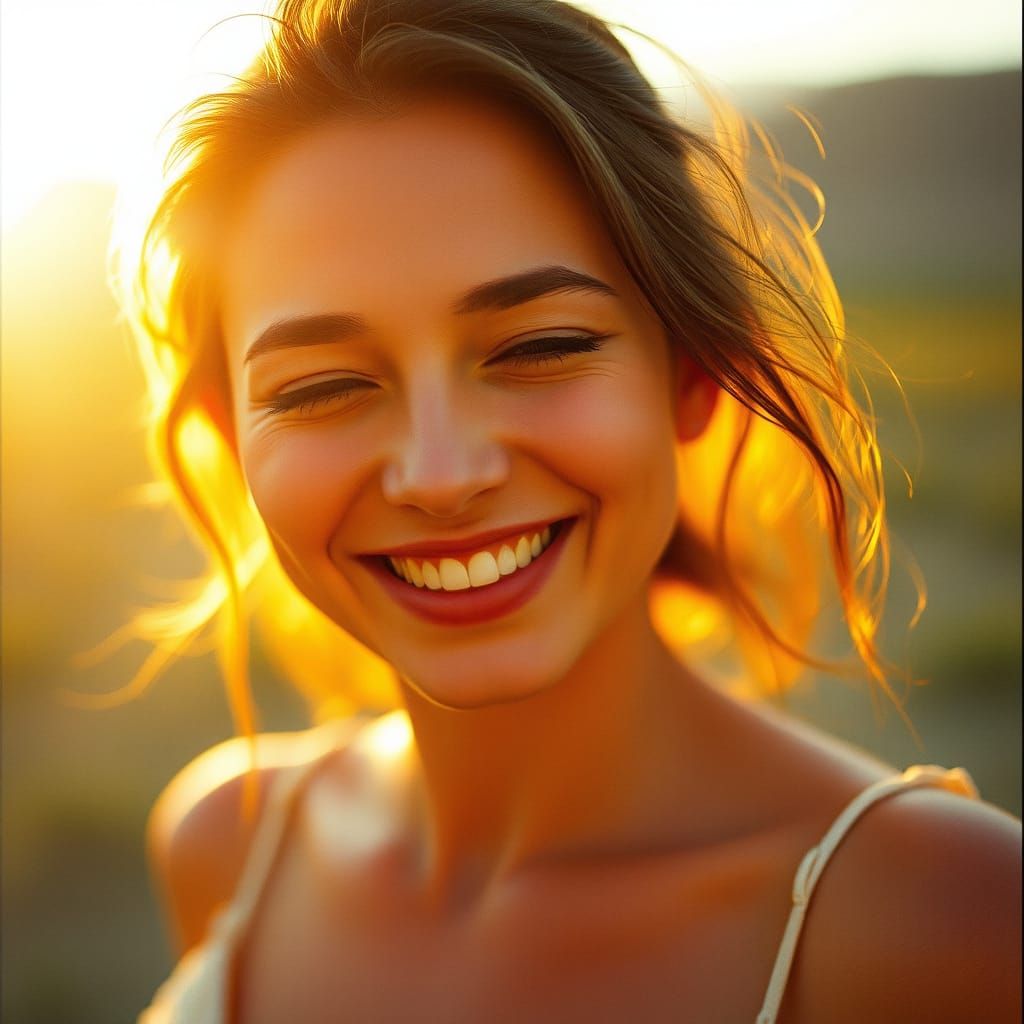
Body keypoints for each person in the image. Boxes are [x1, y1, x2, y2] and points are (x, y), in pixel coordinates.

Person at [125, 0, 1021, 1020]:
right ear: (229, 436)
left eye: (539, 347)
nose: (440, 472)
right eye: (320, 386)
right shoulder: (229, 843)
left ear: (692, 369)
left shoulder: (945, 921)